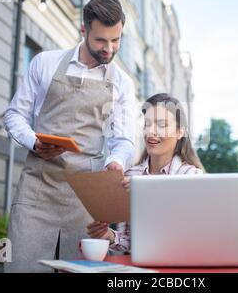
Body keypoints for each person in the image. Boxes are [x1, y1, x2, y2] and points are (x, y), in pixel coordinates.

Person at [3, 0, 135, 272]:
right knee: (21, 267)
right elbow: (14, 115)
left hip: (86, 200)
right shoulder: (45, 63)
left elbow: (123, 141)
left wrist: (117, 162)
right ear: (83, 30)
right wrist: (34, 142)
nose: (109, 49)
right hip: (38, 190)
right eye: (101, 40)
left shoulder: (122, 83)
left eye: (116, 40)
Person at [85, 93, 205, 253]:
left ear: (179, 132)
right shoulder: (131, 176)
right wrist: (110, 236)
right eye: (147, 124)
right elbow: (131, 242)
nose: (150, 131)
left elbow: (192, 233)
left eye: (161, 125)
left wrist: (147, 192)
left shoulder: (192, 177)